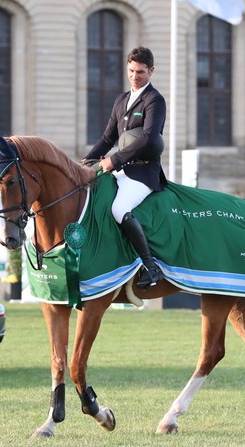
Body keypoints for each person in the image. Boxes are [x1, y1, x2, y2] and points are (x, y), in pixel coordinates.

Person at [82, 47, 166, 289]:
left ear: (151, 71)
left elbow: (149, 138)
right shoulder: (120, 100)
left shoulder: (154, 100)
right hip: (120, 170)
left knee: (119, 208)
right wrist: (84, 163)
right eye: (131, 71)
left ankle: (151, 267)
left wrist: (114, 160)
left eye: (140, 72)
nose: (134, 76)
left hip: (143, 172)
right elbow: (108, 138)